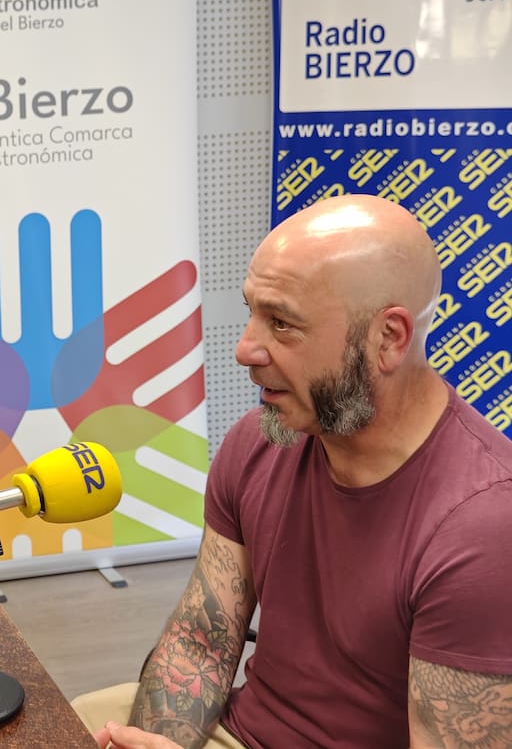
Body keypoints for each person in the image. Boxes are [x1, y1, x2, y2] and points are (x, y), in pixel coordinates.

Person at [71, 193, 512, 748]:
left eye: (282, 324)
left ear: (389, 339)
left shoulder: (484, 529)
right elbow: (201, 644)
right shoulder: (260, 444)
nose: (245, 348)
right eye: (252, 311)